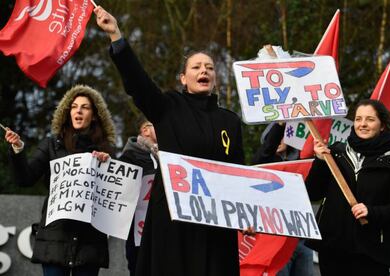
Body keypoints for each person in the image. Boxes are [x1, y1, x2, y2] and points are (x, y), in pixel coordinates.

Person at [94, 6, 245, 276]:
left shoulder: (230, 121)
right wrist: (116, 36)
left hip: (216, 226)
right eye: (196, 66)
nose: (204, 71)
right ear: (183, 78)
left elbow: (238, 172)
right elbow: (138, 84)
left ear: (214, 78)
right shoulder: (168, 107)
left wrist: (245, 214)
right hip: (174, 222)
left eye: (210, 67)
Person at [4, 85, 116, 276]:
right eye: (74, 106)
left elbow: (113, 195)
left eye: (85, 107)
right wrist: (18, 150)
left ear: (95, 115)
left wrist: (108, 166)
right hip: (54, 239)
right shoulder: (50, 145)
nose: (78, 110)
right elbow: (25, 179)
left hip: (89, 241)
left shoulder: (106, 150)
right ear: (68, 112)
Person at [305, 99, 390, 276]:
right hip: (332, 248)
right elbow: (312, 193)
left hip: (371, 252)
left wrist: (371, 211)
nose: (362, 124)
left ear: (382, 125)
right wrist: (320, 162)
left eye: (370, 119)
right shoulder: (334, 153)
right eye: (358, 119)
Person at [252, 122, 313, 276]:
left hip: (301, 238)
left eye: (283, 137)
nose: (279, 141)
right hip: (276, 237)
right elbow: (265, 152)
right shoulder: (265, 164)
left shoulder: (300, 161)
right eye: (274, 138)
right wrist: (280, 125)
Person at [119, 117, 158, 276]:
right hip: (138, 234)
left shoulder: (167, 156)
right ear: (146, 130)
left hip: (162, 233)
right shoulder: (130, 156)